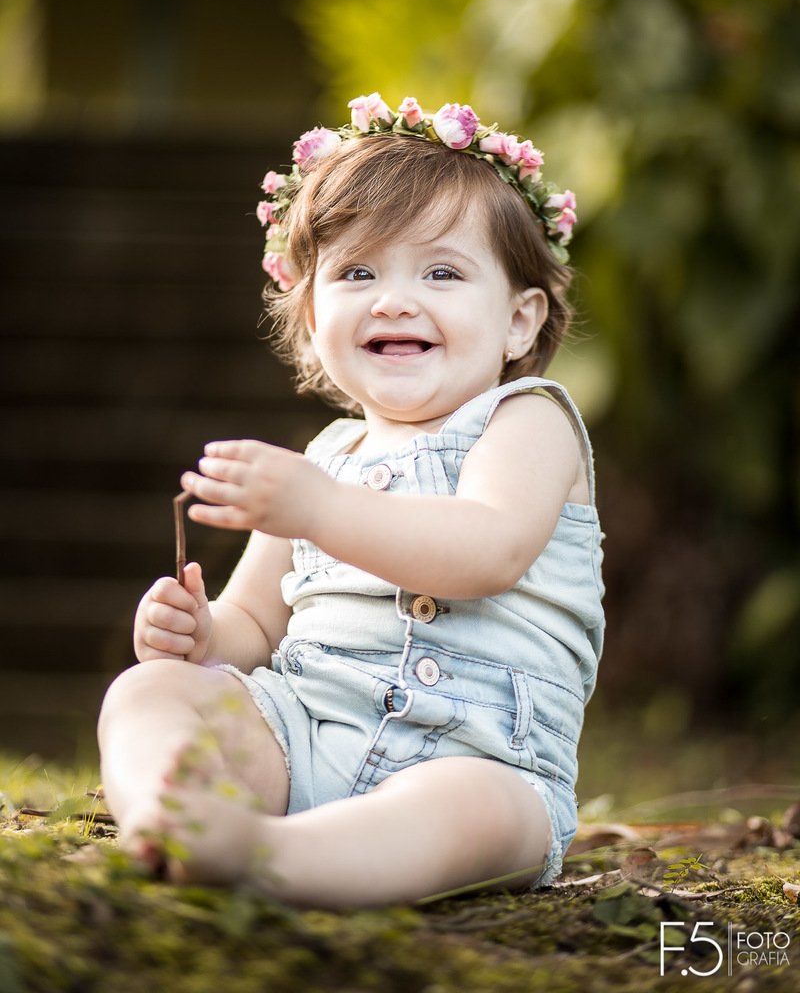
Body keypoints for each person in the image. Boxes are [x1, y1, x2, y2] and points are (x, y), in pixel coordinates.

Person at [97, 93, 605, 908]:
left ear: (519, 321)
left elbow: (485, 551)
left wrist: (318, 510)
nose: (393, 300)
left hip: (481, 760)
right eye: (357, 273)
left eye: (441, 272)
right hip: (303, 735)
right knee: (147, 693)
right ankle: (171, 810)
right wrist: (198, 634)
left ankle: (270, 857)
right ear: (309, 317)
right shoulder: (324, 461)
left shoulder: (528, 421)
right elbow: (256, 625)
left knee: (463, 816)